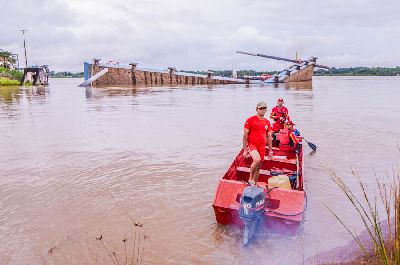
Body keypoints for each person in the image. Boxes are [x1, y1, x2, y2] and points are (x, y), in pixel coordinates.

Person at [243, 102, 273, 185]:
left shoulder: (267, 122)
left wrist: (270, 151)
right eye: (260, 109)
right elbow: (245, 136)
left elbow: (269, 137)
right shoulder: (250, 120)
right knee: (257, 160)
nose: (262, 110)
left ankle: (255, 184)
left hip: (262, 147)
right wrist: (245, 150)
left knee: (258, 167)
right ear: (257, 109)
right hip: (252, 144)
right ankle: (250, 179)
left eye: (264, 108)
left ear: (266, 110)